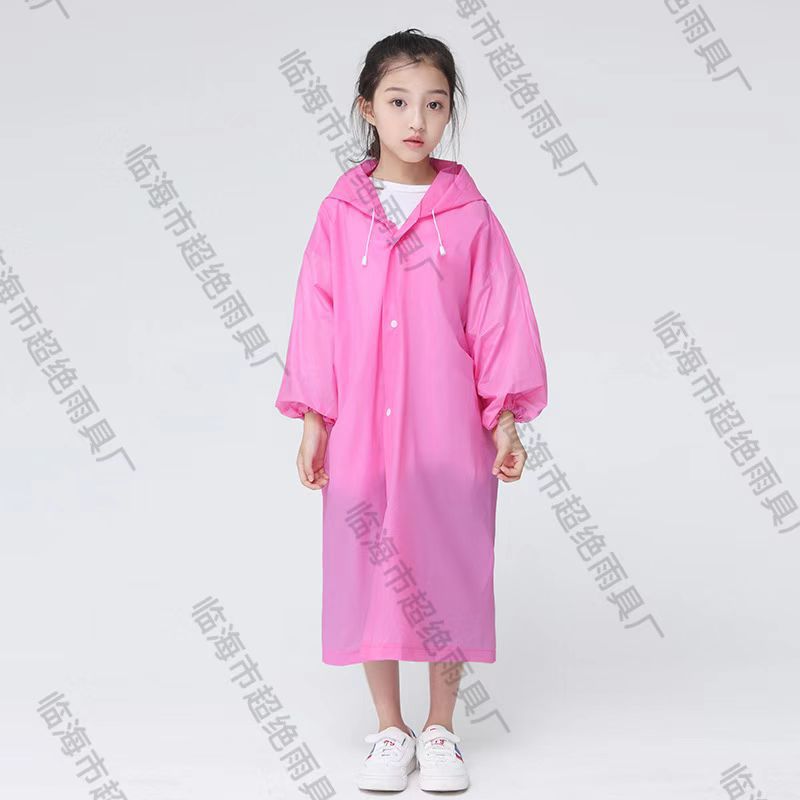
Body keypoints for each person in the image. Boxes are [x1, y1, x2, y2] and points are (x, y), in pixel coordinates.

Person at [275, 28, 548, 793]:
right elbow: (318, 317)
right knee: (369, 565)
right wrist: (314, 420)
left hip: (446, 428)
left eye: (433, 103)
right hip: (361, 427)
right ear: (367, 108)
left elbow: (496, 318)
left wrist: (503, 419)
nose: (416, 120)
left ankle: (441, 728)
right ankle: (390, 728)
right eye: (397, 102)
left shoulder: (468, 215)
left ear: (449, 110)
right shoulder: (341, 214)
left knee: (447, 563)